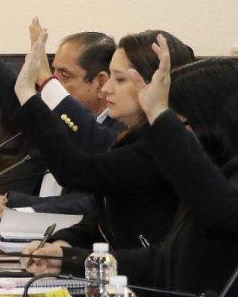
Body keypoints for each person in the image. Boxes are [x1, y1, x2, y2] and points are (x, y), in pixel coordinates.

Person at [25, 36, 238, 297]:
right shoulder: (214, 179)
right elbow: (162, 262)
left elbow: (224, 213)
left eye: (178, 126)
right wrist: (69, 260)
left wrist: (159, 116)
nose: (172, 145)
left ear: (211, 123)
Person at [12, 27, 197, 253]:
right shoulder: (136, 139)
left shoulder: (163, 148)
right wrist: (63, 245)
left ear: (155, 85)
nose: (106, 89)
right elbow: (103, 222)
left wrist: (27, 94)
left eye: (119, 79)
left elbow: (75, 171)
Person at [0, 0, 122, 225]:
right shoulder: (53, 117)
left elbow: (92, 203)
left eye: (64, 76)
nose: (52, 84)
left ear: (99, 82)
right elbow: (11, 96)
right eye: (52, 73)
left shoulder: (119, 134)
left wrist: (12, 203)